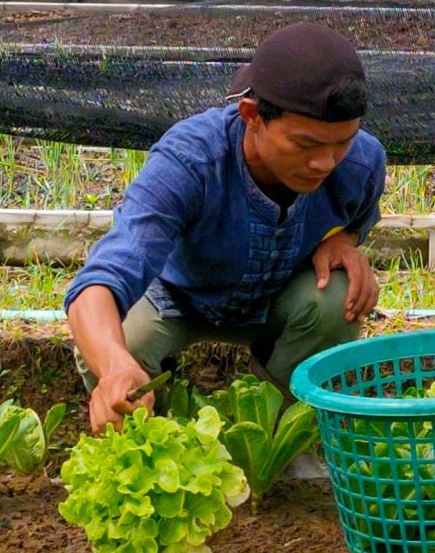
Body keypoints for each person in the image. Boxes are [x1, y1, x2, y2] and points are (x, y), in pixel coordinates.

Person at [64, 22, 387, 433]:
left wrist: (345, 240)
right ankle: (151, 446)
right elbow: (98, 283)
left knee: (336, 297)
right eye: (305, 145)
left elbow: (360, 214)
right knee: (123, 342)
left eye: (341, 142)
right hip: (177, 296)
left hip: (276, 296)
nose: (325, 163)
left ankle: (280, 436)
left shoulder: (362, 161)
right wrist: (114, 366)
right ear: (253, 117)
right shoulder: (190, 162)